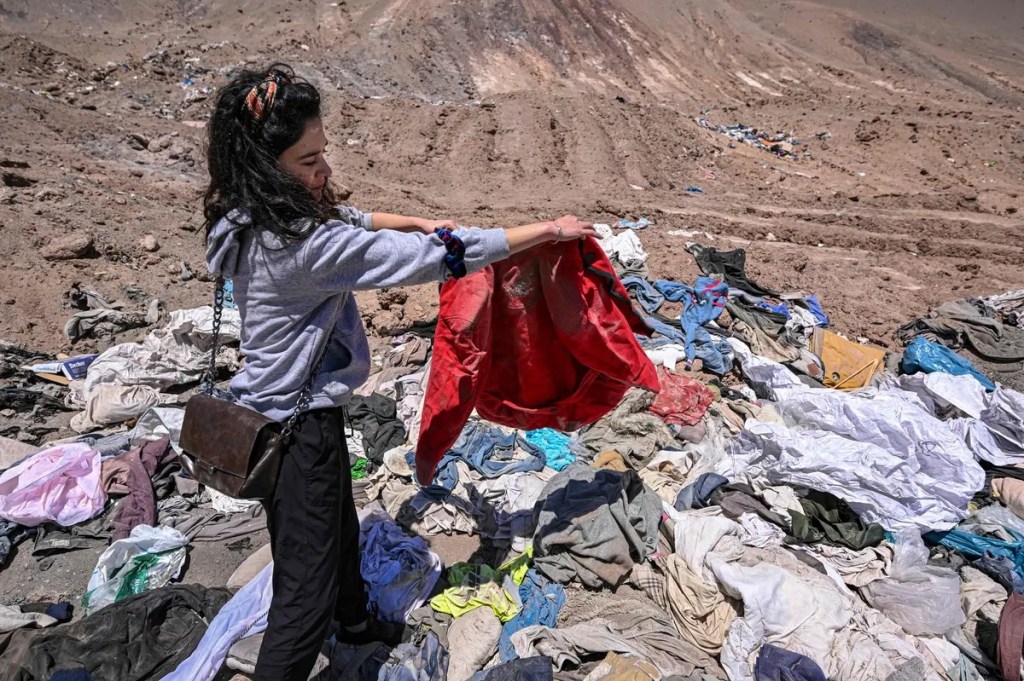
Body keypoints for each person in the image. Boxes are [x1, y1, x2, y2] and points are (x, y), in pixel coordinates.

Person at [202, 63, 595, 681]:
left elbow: (345, 220)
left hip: (278, 415)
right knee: (302, 599)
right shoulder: (308, 247)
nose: (324, 170)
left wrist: (400, 219)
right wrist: (547, 230)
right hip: (296, 430)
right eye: (309, 160)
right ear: (267, 165)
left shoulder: (245, 217)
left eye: (323, 153)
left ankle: (357, 622)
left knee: (338, 529)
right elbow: (441, 257)